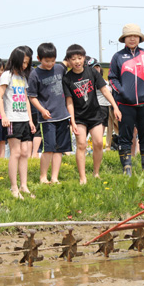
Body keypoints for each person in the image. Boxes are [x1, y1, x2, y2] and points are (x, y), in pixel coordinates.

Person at [63, 44, 122, 184]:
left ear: (84, 58)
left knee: (97, 143)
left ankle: (96, 173)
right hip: (79, 117)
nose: (77, 61)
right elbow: (69, 101)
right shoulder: (67, 78)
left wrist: (115, 107)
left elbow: (105, 90)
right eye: (73, 59)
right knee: (81, 144)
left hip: (95, 114)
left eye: (80, 58)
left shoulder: (92, 72)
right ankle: (82, 177)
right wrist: (71, 120)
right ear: (68, 61)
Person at [109, 23, 144, 176]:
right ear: (124, 39)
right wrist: (122, 91)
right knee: (125, 137)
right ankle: (127, 169)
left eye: (135, 36)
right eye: (129, 36)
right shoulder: (117, 56)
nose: (132, 39)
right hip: (125, 104)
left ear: (140, 38)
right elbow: (112, 78)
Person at [28, 42, 72, 184]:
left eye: (53, 60)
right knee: (48, 148)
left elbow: (70, 61)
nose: (50, 64)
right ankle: (43, 177)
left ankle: (54, 177)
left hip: (63, 116)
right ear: (39, 58)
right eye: (47, 61)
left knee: (59, 149)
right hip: (47, 118)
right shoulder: (35, 74)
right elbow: (32, 97)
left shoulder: (59, 68)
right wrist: (41, 110)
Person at [0, 46, 36, 199]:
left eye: (27, 63)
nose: (25, 66)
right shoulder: (7, 75)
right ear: (16, 60)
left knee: (25, 153)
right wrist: (3, 116)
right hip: (12, 119)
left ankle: (23, 185)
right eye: (23, 62)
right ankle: (14, 188)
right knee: (16, 152)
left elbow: (25, 98)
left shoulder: (23, 77)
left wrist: (30, 120)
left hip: (24, 119)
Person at [87, 57, 112, 151]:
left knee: (101, 133)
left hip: (105, 107)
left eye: (97, 67)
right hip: (98, 107)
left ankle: (96, 150)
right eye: (93, 67)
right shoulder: (92, 79)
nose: (96, 69)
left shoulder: (101, 79)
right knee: (98, 134)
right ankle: (94, 150)